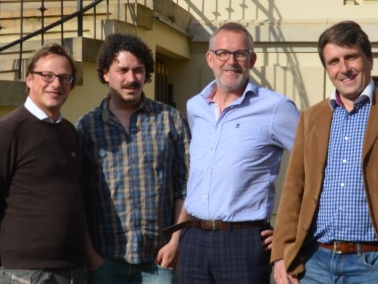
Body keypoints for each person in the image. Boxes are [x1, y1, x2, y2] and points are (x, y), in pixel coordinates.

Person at [272, 20, 378, 284]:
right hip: (315, 262)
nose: (344, 69)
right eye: (334, 61)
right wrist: (281, 255)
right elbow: (293, 190)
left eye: (351, 57)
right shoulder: (312, 117)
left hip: (375, 263)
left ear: (369, 59)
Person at [168, 22, 300, 284]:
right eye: (222, 53)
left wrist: (290, 231)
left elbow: (316, 165)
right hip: (193, 240)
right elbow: (197, 179)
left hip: (243, 242)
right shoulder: (196, 107)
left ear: (252, 59)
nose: (231, 61)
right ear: (210, 58)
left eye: (240, 53)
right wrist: (177, 239)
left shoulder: (276, 108)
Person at [77, 33, 190, 284]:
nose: (131, 78)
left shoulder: (170, 120)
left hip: (158, 263)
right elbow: (78, 197)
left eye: (138, 70)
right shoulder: (86, 128)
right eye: (123, 70)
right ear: (106, 74)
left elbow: (186, 187)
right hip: (105, 263)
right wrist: (92, 258)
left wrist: (175, 243)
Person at [0, 43, 87, 283]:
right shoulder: (9, 131)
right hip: (25, 273)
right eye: (46, 76)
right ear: (29, 79)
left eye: (64, 77)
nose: (56, 84)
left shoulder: (70, 132)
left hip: (73, 270)